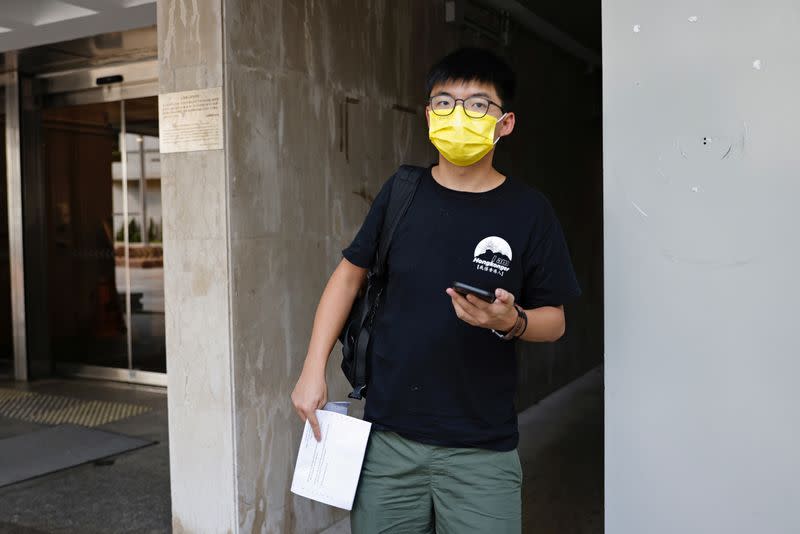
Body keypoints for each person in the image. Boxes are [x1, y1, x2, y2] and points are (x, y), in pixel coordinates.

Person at [291, 47, 581, 533]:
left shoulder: (530, 212)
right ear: (429, 116)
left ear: (504, 123)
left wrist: (512, 322)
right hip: (388, 444)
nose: (458, 115)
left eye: (477, 105)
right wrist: (311, 369)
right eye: (445, 103)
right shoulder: (402, 193)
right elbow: (347, 275)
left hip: (481, 453)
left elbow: (555, 321)